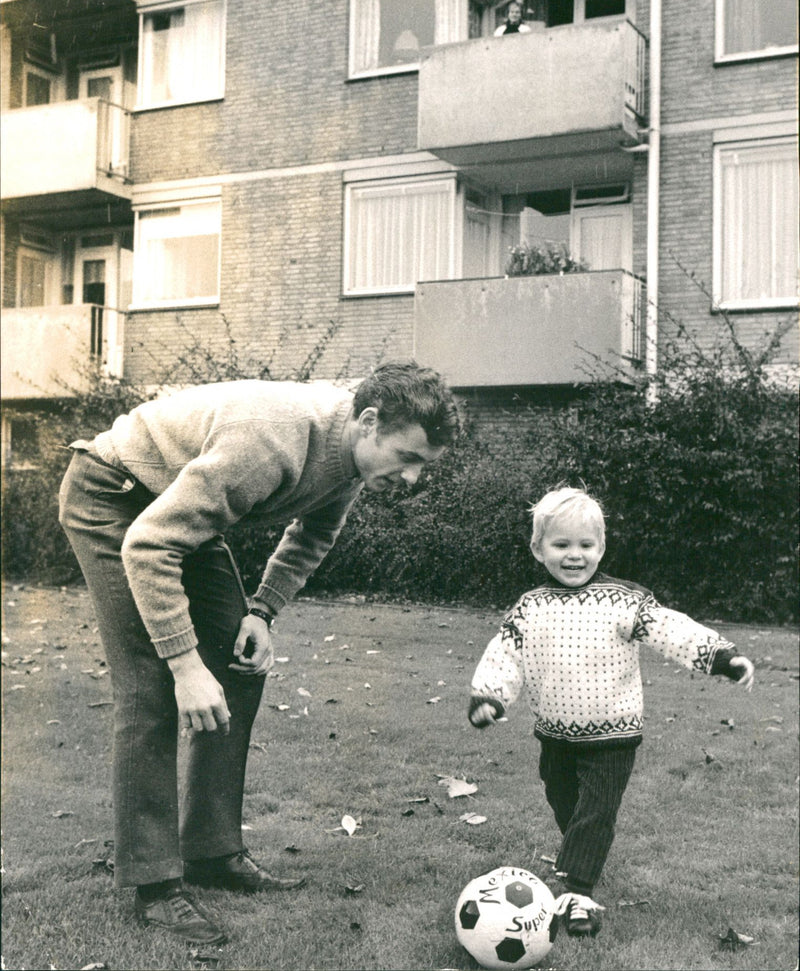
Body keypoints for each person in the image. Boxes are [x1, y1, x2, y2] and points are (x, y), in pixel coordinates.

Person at [58, 360, 460, 946]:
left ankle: (212, 851)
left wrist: (262, 612)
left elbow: (312, 536)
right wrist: (185, 665)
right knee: (152, 686)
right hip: (111, 496)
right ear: (369, 422)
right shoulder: (269, 438)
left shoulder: (349, 458)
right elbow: (149, 545)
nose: (412, 479)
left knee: (242, 664)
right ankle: (155, 884)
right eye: (409, 458)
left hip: (173, 509)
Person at [467, 486, 754, 939]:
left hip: (613, 736)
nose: (575, 556)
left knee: (594, 813)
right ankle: (581, 857)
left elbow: (671, 630)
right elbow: (504, 655)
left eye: (586, 545)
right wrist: (489, 698)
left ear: (601, 547)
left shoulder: (623, 601)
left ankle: (577, 895)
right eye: (561, 545)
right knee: (568, 806)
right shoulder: (529, 607)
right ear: (538, 549)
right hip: (555, 734)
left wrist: (721, 657)